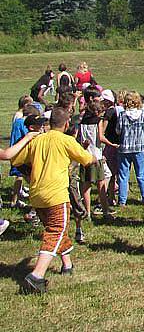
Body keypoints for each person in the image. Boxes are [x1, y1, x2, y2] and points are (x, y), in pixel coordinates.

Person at [10, 107, 96, 293]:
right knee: (56, 231)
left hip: (37, 195)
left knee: (56, 228)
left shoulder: (38, 140)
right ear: (66, 124)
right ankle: (37, 275)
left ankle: (67, 265)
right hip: (56, 195)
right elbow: (87, 159)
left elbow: (16, 160)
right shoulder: (66, 140)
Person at [117, 91, 144, 207]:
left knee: (123, 176)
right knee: (141, 175)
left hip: (124, 148)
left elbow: (118, 130)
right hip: (139, 148)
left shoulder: (122, 115)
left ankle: (122, 200)